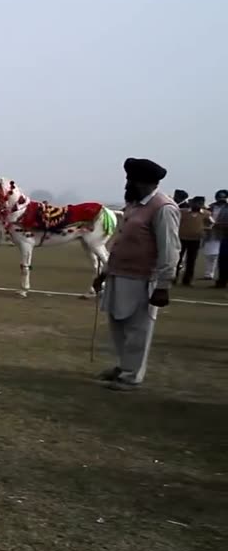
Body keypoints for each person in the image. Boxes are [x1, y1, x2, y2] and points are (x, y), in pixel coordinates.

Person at [91, 158, 178, 391]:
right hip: (119, 273)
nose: (127, 183)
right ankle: (123, 366)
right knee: (118, 323)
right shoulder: (134, 205)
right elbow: (121, 242)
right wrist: (105, 272)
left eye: (131, 179)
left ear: (144, 182)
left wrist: (163, 285)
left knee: (138, 327)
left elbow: (169, 248)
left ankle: (132, 376)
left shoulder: (163, 208)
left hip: (142, 277)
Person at [176, 196, 212, 286]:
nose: (198, 205)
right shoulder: (182, 212)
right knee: (177, 259)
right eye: (196, 203)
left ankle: (187, 280)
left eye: (200, 203)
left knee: (191, 260)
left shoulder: (206, 214)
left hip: (195, 240)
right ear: (192, 203)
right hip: (181, 238)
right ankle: (174, 277)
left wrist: (205, 229)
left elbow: (212, 223)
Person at [204, 189, 227, 282]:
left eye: (223, 197)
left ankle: (212, 274)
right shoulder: (211, 207)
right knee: (209, 254)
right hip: (210, 232)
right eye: (219, 197)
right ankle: (208, 273)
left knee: (216, 255)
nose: (221, 199)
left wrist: (220, 225)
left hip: (223, 233)